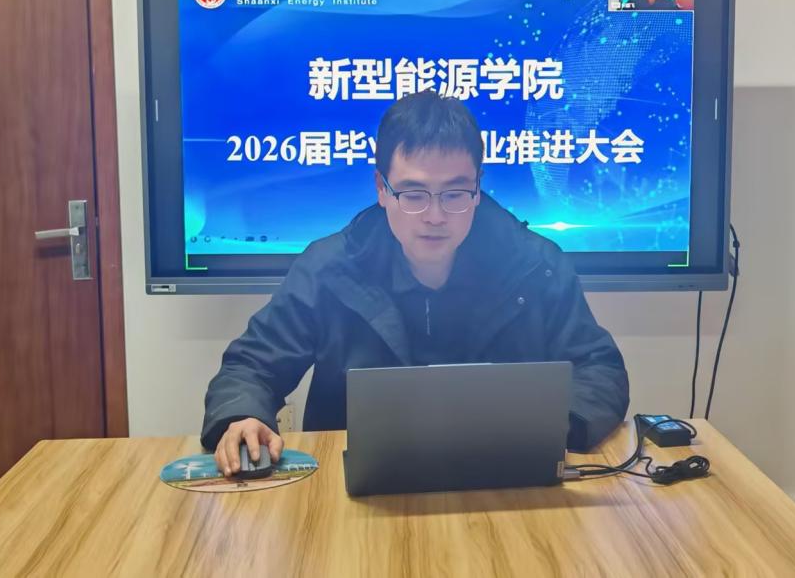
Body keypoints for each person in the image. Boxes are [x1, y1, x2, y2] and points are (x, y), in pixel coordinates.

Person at [202, 91, 629, 476]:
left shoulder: (536, 267)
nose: (435, 216)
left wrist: (552, 428)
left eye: (455, 193)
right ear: (381, 188)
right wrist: (242, 416)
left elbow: (599, 369)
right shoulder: (330, 268)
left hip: (504, 479)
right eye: (413, 194)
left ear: (478, 188)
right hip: (353, 486)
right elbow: (251, 367)